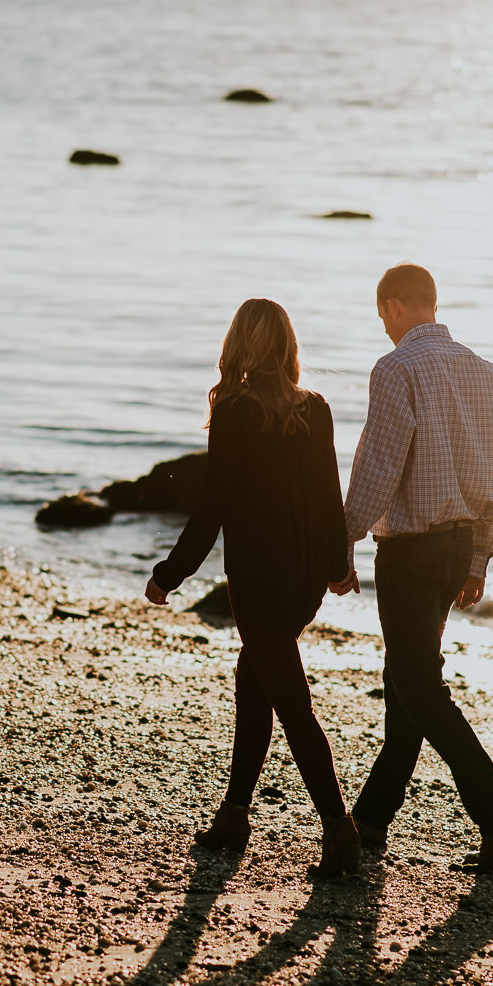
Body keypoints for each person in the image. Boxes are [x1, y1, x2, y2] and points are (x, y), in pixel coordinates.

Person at [145, 298, 362, 878]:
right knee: (255, 683)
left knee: (292, 705)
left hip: (259, 579)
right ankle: (235, 814)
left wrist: (170, 574)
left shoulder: (236, 410)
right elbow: (326, 496)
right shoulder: (314, 409)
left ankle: (340, 832)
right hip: (303, 581)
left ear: (241, 344)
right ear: (289, 346)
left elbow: (213, 505)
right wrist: (337, 565)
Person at [331, 263, 493, 873]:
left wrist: (342, 537)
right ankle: (371, 817)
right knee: (407, 683)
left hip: (413, 553)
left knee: (420, 686)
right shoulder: (483, 371)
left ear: (393, 307)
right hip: (456, 549)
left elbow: (380, 461)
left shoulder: (396, 368)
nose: (384, 327)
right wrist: (479, 556)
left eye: (382, 315)